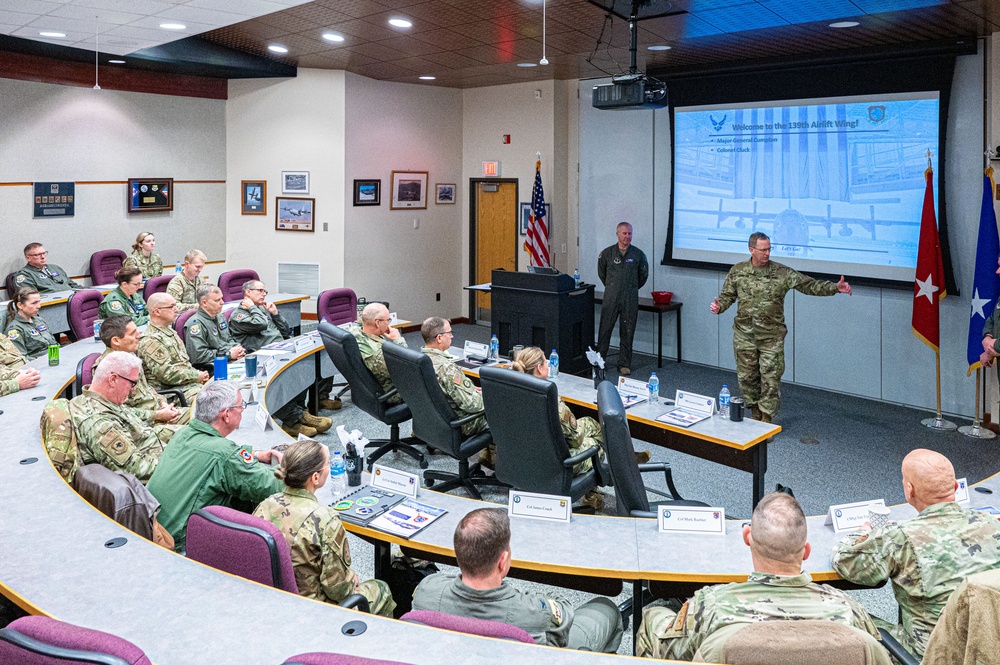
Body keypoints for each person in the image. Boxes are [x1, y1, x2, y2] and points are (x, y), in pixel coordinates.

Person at [637, 492, 879, 661]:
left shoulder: (710, 605)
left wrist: (653, 616)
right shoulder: (848, 610)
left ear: (746, 537)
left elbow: (671, 654)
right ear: (806, 552)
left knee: (654, 616)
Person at [831, 448, 1000, 659]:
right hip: (985, 648)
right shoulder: (991, 524)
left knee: (839, 607)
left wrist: (864, 532)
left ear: (910, 490)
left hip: (928, 655)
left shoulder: (901, 537)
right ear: (956, 487)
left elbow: (845, 561)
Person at [412, 507, 623, 652]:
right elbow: (563, 613)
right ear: (502, 561)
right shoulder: (533, 613)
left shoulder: (426, 591)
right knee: (606, 608)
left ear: (459, 556)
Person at [710, 232, 851, 423]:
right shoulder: (738, 271)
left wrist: (834, 288)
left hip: (772, 337)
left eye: (769, 249)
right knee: (747, 377)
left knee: (770, 379)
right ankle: (755, 414)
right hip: (745, 335)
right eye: (763, 250)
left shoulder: (782, 273)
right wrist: (719, 307)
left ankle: (766, 420)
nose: (767, 253)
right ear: (751, 250)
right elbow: (727, 296)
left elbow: (808, 285)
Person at [253, 439, 396, 616]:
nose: (330, 467)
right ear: (315, 477)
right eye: (327, 464)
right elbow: (338, 590)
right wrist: (351, 580)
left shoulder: (265, 505)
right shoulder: (324, 518)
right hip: (316, 610)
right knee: (380, 589)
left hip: (274, 601)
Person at [146, 381, 284, 552]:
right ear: (226, 414)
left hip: (156, 532)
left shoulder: (183, 433)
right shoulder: (224, 454)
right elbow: (272, 486)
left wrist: (255, 454)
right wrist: (289, 466)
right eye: (241, 406)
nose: (243, 410)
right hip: (182, 546)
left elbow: (216, 453)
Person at [228, 279, 332, 437]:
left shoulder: (262, 310)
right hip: (261, 358)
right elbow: (261, 325)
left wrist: (276, 315)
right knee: (280, 379)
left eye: (265, 291)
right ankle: (294, 419)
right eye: (260, 291)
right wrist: (254, 309)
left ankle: (300, 412)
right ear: (247, 293)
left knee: (303, 367)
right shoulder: (239, 315)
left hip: (280, 350)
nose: (264, 294)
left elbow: (285, 331)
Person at [69, 351, 171, 483]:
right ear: (113, 379)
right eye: (132, 383)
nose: (133, 389)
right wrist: (179, 464)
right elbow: (135, 468)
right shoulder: (100, 423)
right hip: (155, 480)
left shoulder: (103, 400)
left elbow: (131, 415)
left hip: (157, 454)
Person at [93, 315, 187, 431]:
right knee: (195, 432)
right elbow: (118, 412)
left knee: (202, 416)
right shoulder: (109, 368)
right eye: (133, 333)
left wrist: (164, 404)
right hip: (142, 426)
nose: (139, 335)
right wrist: (157, 415)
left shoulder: (129, 356)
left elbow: (147, 388)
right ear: (116, 341)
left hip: (158, 412)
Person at [596, 222, 649, 376]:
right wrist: (614, 287)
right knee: (605, 329)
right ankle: (600, 361)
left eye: (630, 234)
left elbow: (643, 276)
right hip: (611, 296)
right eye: (624, 233)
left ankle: (624, 363)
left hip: (630, 298)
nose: (627, 236)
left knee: (627, 331)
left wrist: (630, 288)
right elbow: (602, 274)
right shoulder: (607, 254)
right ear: (617, 234)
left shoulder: (638, 255)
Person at [420, 317, 487, 436]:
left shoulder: (418, 360)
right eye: (449, 333)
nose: (452, 336)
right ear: (439, 338)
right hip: (461, 424)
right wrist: (489, 397)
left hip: (432, 420)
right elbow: (473, 405)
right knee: (501, 409)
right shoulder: (447, 369)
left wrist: (471, 389)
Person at [138, 292, 208, 405]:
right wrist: (195, 376)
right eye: (171, 307)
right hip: (171, 395)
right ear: (157, 311)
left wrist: (197, 375)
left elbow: (183, 364)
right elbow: (167, 374)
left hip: (187, 385)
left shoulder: (169, 331)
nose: (176, 310)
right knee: (212, 402)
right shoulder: (150, 340)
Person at [348, 302, 407, 404]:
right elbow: (406, 368)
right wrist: (398, 340)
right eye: (388, 320)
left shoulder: (354, 332)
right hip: (393, 392)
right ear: (377, 323)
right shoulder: (377, 356)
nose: (389, 323)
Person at [184, 284, 246, 372]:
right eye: (217, 300)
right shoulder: (196, 325)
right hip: (213, 366)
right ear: (204, 303)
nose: (222, 302)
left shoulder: (219, 317)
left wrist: (238, 349)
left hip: (230, 359)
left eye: (221, 298)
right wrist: (228, 354)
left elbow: (228, 339)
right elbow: (198, 356)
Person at [4, 287, 58, 360]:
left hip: (54, 358)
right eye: (34, 303)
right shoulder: (15, 329)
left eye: (39, 302)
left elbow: (54, 344)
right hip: (38, 365)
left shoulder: (39, 320)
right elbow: (21, 359)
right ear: (20, 305)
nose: (39, 306)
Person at [14, 243, 82, 293]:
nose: (43, 257)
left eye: (44, 253)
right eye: (38, 255)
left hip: (73, 301)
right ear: (28, 258)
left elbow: (73, 285)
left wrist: (86, 292)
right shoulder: (25, 275)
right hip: (51, 306)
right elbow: (30, 298)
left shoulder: (55, 268)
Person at [167, 249, 206, 313]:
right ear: (186, 264)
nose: (200, 270)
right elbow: (173, 306)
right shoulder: (177, 282)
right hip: (183, 318)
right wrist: (198, 307)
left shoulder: (201, 280)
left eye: (202, 267)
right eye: (197, 267)